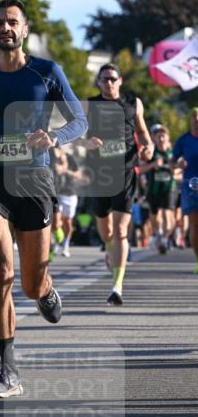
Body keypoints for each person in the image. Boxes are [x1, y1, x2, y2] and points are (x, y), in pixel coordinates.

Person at [0, 0, 88, 399]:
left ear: (24, 30)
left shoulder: (47, 72)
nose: (5, 28)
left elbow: (80, 119)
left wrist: (54, 136)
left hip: (35, 180)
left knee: (29, 282)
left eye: (12, 22)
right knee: (1, 270)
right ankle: (9, 372)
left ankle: (45, 290)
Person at [82, 63, 154, 306]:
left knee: (121, 231)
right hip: (99, 174)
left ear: (120, 80)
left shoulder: (134, 103)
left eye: (113, 79)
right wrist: (86, 142)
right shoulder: (89, 105)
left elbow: (143, 133)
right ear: (99, 82)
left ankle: (117, 286)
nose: (109, 83)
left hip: (125, 172)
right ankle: (110, 250)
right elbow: (73, 135)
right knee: (107, 234)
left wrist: (149, 147)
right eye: (104, 79)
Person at [140, 124, 176, 253]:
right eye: (158, 135)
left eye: (163, 135)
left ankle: (165, 239)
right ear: (154, 138)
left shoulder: (173, 152)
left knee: (167, 214)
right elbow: (140, 169)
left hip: (169, 187)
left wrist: (174, 169)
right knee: (154, 216)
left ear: (167, 137)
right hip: (153, 188)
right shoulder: (151, 152)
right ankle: (159, 233)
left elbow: (180, 170)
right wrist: (153, 165)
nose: (161, 138)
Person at [172, 107, 198, 273]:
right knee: (195, 226)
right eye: (194, 117)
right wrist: (178, 165)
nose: (197, 120)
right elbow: (172, 162)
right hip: (190, 186)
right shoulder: (183, 140)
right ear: (190, 120)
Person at [51, 145, 84, 257]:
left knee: (67, 222)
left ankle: (65, 245)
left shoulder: (70, 158)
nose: (58, 149)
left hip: (70, 193)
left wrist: (66, 171)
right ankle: (57, 242)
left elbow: (78, 175)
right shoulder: (51, 157)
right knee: (56, 221)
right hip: (56, 193)